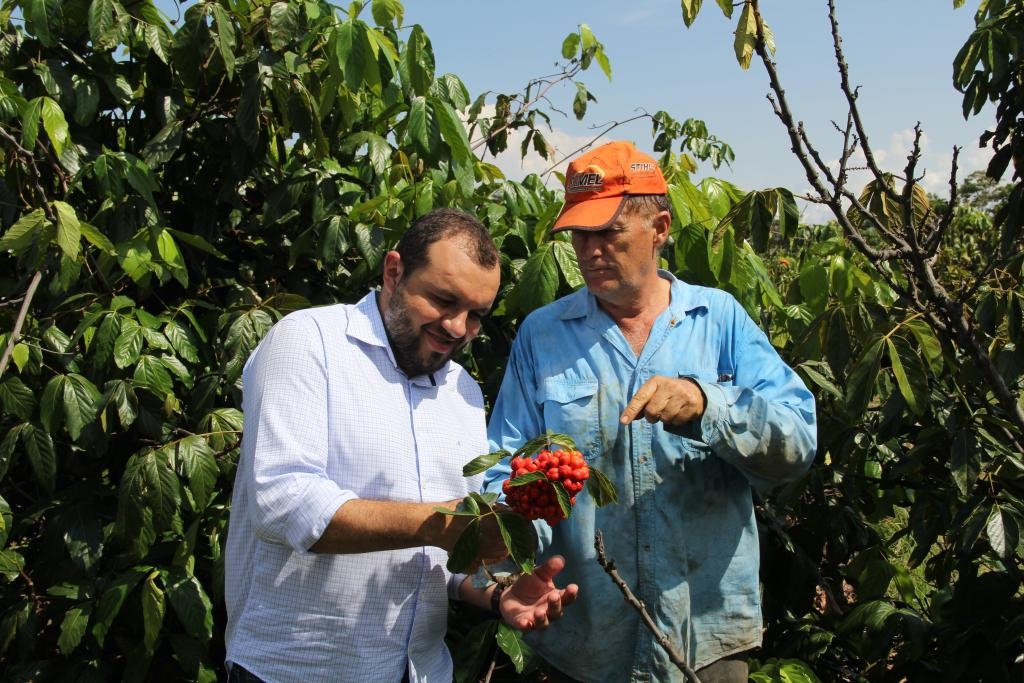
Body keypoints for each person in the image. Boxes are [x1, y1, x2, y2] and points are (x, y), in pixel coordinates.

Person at [483, 142, 817, 682]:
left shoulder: (720, 320)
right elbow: (505, 467)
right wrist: (503, 543)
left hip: (703, 635)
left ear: (659, 227)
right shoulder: (542, 335)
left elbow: (799, 441)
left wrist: (708, 403)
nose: (588, 250)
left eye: (608, 233)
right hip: (585, 637)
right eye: (578, 234)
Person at [224, 208, 578, 683]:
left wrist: (497, 593)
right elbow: (282, 502)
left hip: (420, 672)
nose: (457, 327)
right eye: (442, 300)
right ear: (393, 272)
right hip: (294, 670)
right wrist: (441, 524)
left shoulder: (463, 393)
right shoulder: (309, 343)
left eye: (476, 315)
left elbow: (442, 559)